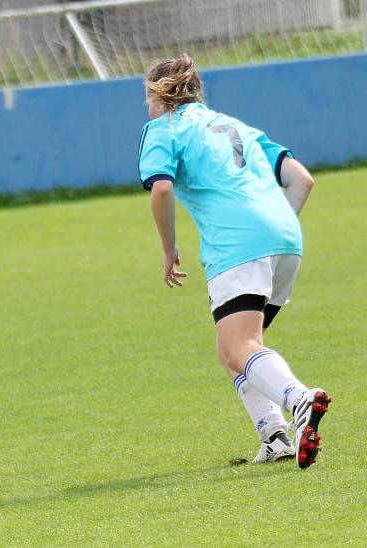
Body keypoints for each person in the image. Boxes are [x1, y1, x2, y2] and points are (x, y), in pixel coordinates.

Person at [138, 54, 330, 468]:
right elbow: (302, 179)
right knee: (233, 350)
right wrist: (272, 232)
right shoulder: (238, 126)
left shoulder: (162, 129)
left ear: (158, 97)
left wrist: (169, 251)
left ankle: (299, 400)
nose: (147, 109)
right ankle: (274, 435)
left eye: (147, 99)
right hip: (285, 238)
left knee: (239, 344)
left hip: (237, 245)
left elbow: (162, 191)